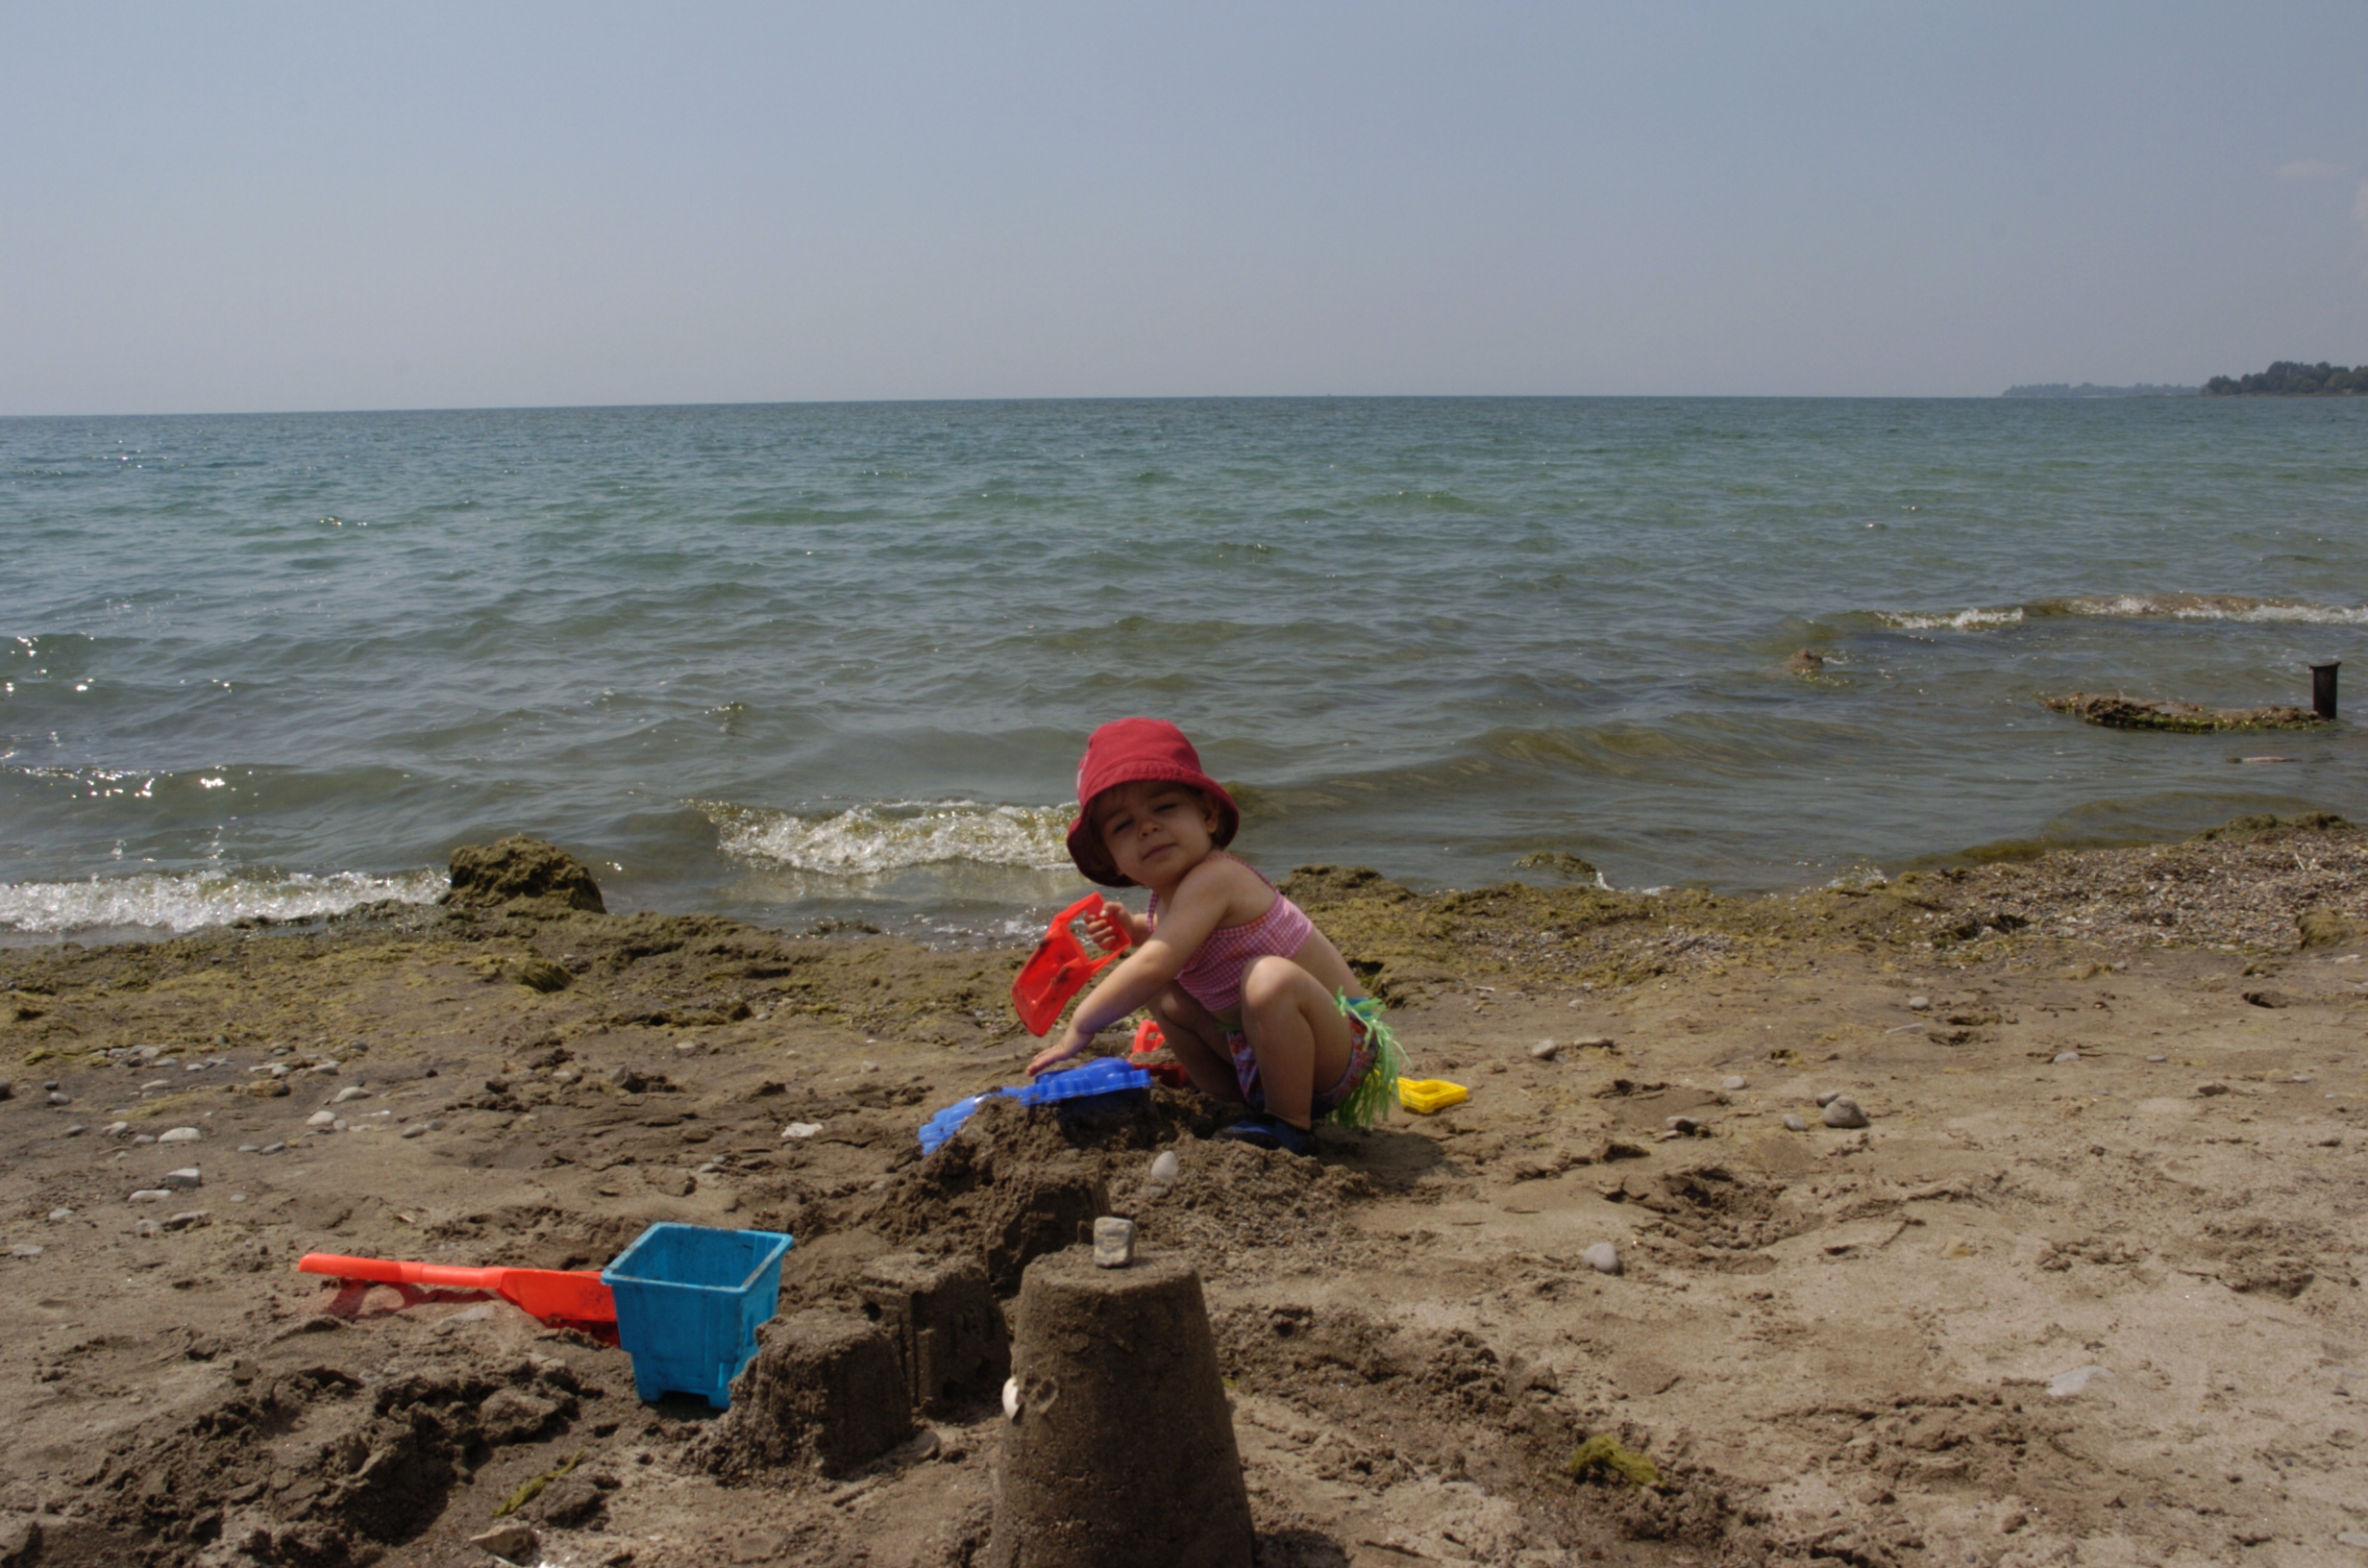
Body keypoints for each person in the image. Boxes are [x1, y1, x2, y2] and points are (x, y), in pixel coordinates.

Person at [1024, 717, 1403, 1154]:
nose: (1146, 827)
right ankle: (1229, 1100)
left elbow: (1156, 960)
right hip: (1258, 1050)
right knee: (1162, 992)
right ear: (1111, 858)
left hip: (1336, 1049)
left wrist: (1082, 1024)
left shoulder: (1217, 877)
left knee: (1269, 978)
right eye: (1123, 826)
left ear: (1207, 815)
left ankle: (1288, 1123)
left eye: (1165, 808)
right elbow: (1168, 937)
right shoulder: (1171, 898)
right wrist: (1135, 928)